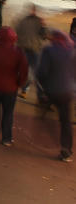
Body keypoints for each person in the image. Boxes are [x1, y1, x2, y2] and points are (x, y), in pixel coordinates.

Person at [35, 31, 74, 162]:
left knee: (45, 112)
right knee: (66, 121)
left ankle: (45, 136)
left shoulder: (48, 50)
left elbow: (42, 72)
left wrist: (43, 87)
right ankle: (66, 150)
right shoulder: (71, 51)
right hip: (67, 92)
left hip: (52, 90)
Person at [16, 5, 47, 98]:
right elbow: (17, 33)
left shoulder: (38, 21)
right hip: (26, 49)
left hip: (34, 49)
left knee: (33, 72)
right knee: (29, 72)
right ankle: (26, 90)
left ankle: (30, 91)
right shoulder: (23, 21)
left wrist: (43, 26)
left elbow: (44, 35)